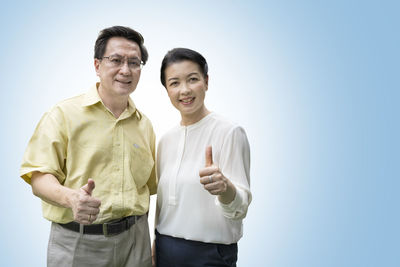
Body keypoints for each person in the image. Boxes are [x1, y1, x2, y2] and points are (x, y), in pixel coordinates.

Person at [20, 26, 156, 267]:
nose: (126, 70)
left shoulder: (144, 125)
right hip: (79, 244)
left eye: (134, 63)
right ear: (97, 65)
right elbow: (38, 176)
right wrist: (71, 198)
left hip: (136, 244)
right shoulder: (63, 114)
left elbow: (148, 187)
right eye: (116, 60)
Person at [153, 48, 251, 267]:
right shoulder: (165, 141)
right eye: (174, 83)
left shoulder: (230, 132)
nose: (185, 90)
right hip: (164, 251)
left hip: (210, 256)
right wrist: (154, 246)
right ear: (167, 90)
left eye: (193, 79)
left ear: (206, 82)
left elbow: (241, 208)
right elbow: (162, 207)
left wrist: (226, 189)